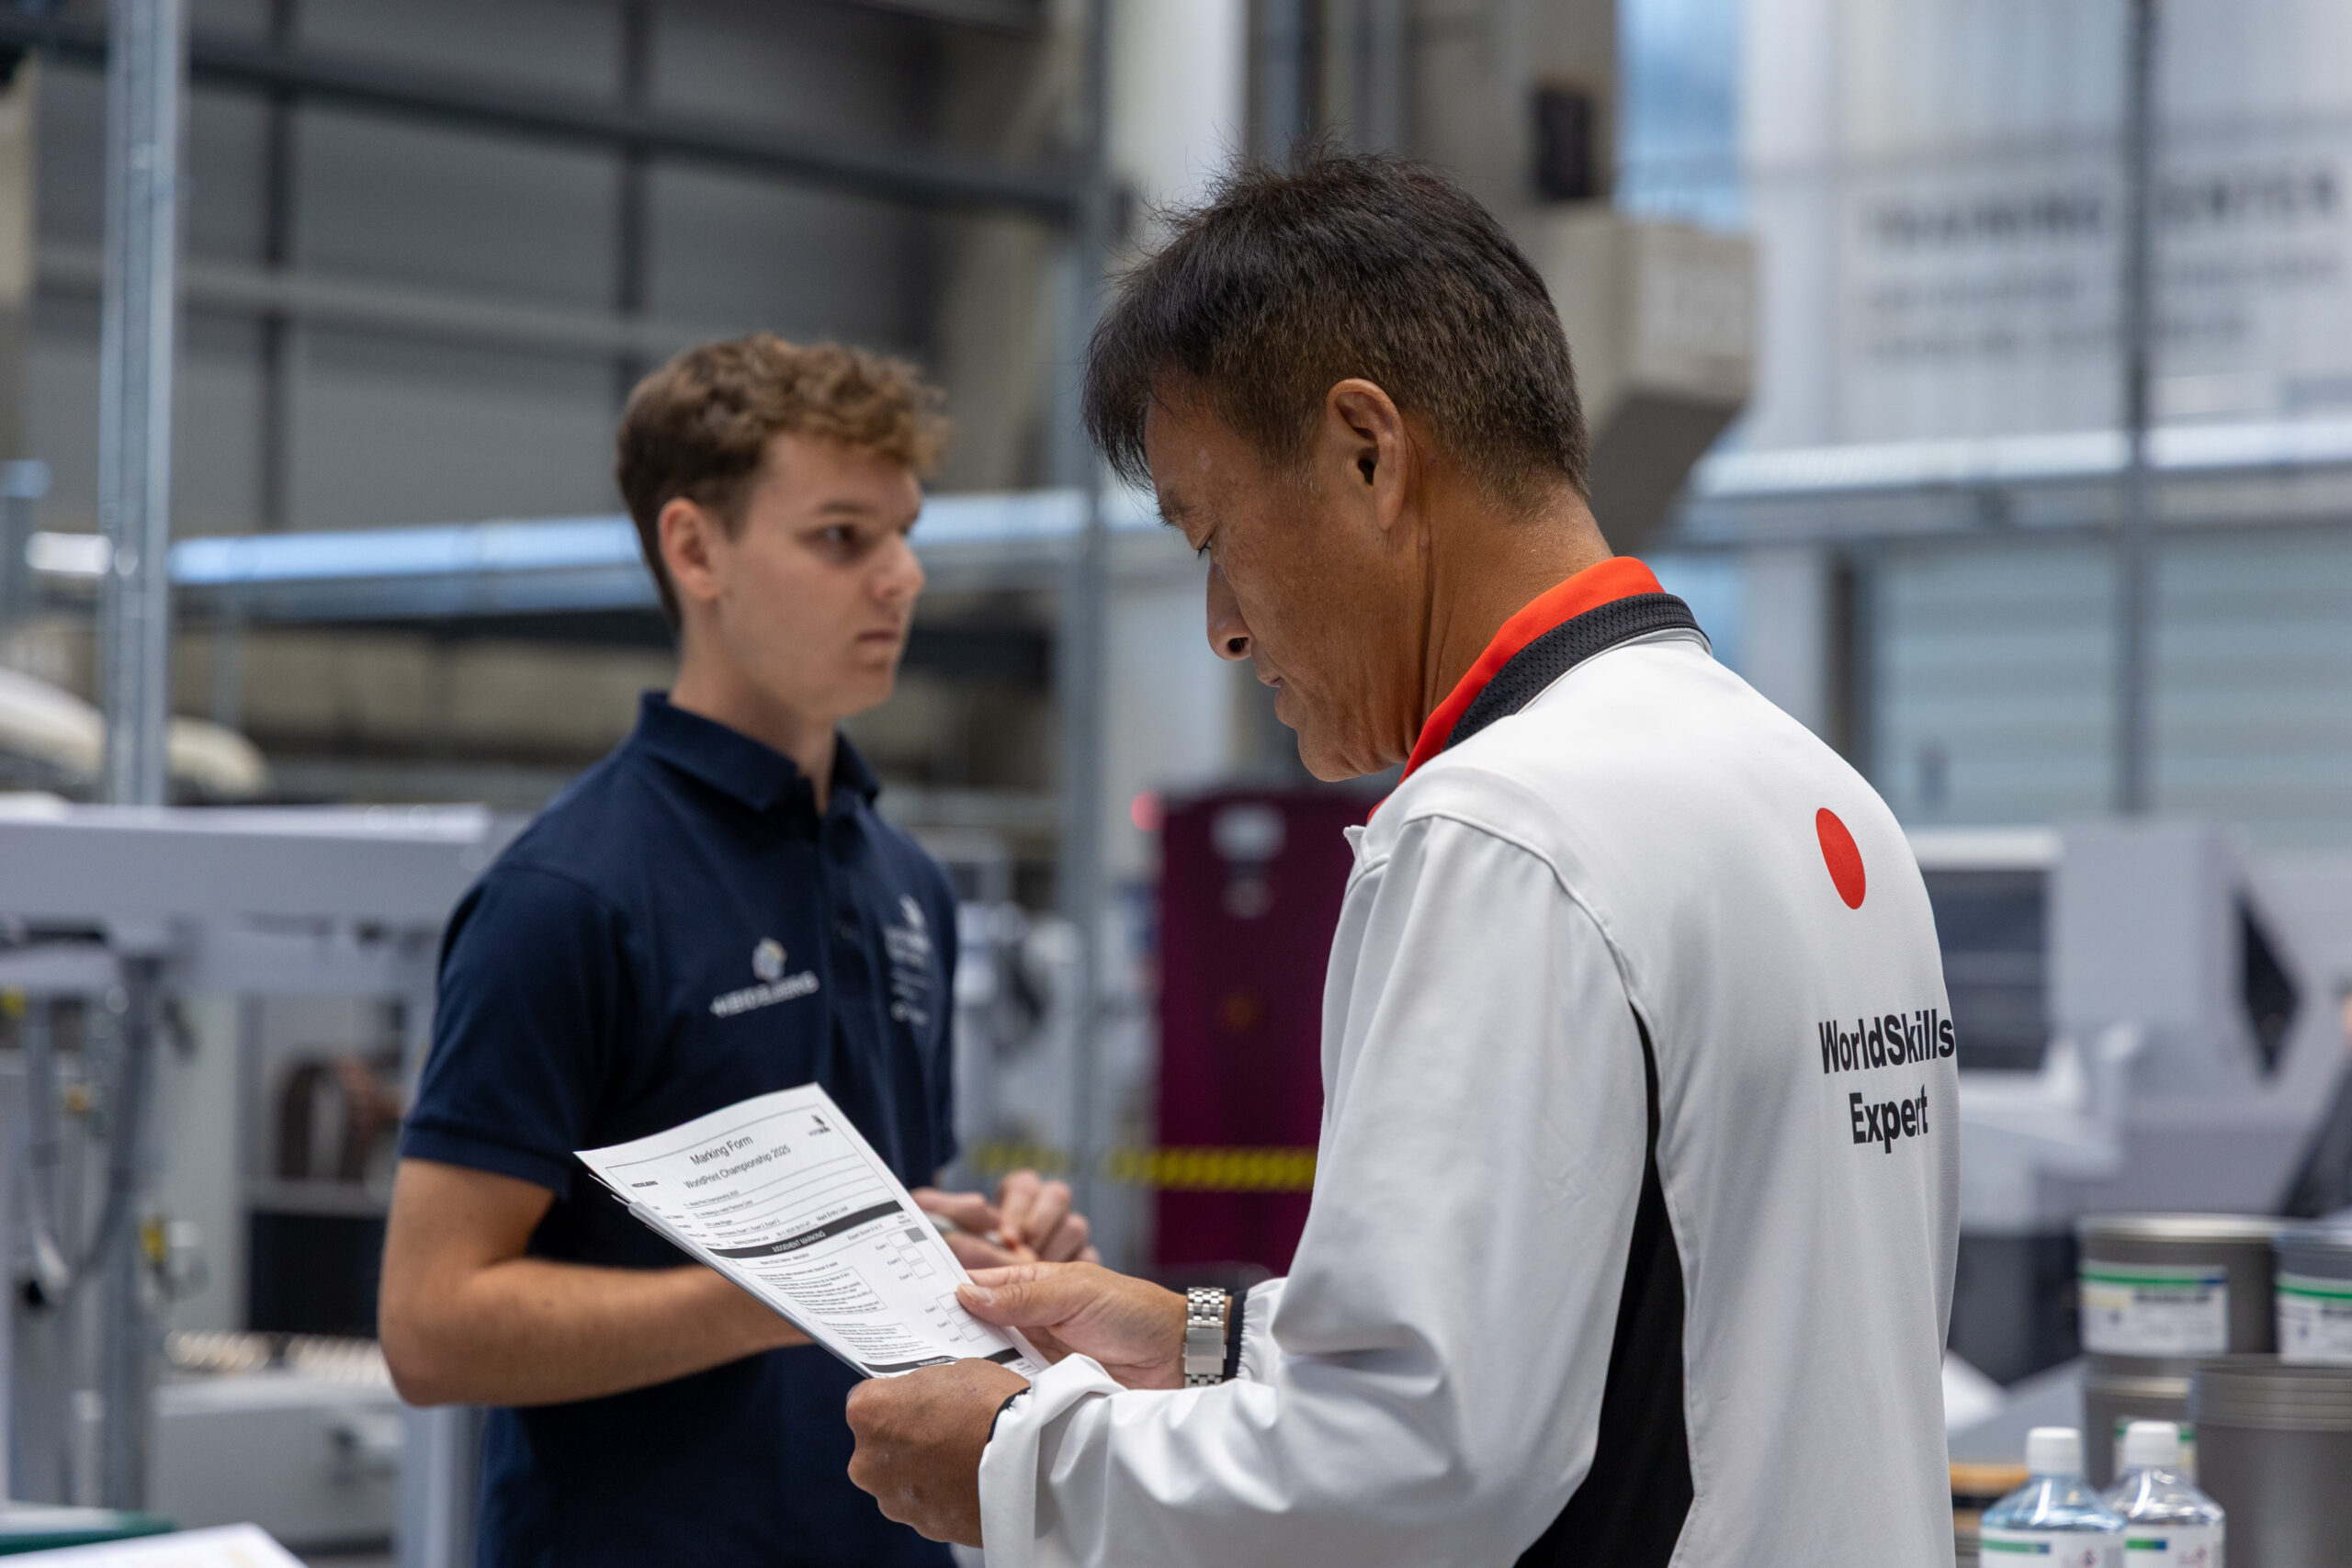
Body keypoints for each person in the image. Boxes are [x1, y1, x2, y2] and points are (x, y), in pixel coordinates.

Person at [842, 152, 1958, 1567]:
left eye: (1215, 535)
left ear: (1368, 453)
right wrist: (1210, 1343)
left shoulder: (1506, 832)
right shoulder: (1818, 796)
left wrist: (1019, 1465)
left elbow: (1415, 1461)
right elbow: (1640, 1344)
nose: (1221, 626)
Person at [379, 335, 1092, 1568]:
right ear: (697, 550)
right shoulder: (569, 897)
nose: (903, 578)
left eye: (904, 533)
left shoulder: (906, 884)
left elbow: (887, 1227)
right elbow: (431, 1327)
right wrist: (781, 1294)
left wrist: (995, 1260)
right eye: (841, 538)